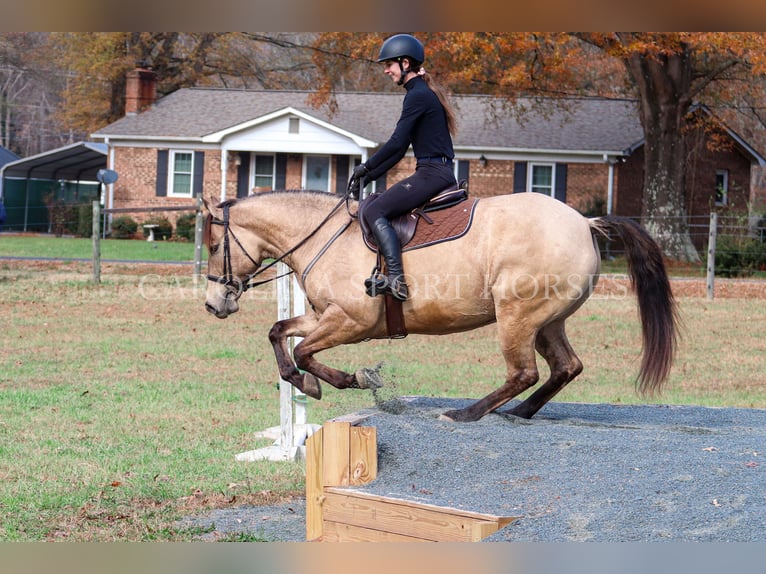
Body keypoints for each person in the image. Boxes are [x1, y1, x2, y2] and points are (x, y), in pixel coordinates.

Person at [348, 33, 458, 302]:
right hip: (434, 170)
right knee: (377, 205)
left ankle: (396, 279)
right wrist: (369, 174)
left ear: (405, 63)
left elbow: (397, 143)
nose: (386, 70)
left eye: (389, 65)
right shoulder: (420, 93)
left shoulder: (417, 96)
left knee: (375, 209)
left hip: (433, 173)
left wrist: (365, 167)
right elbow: (399, 150)